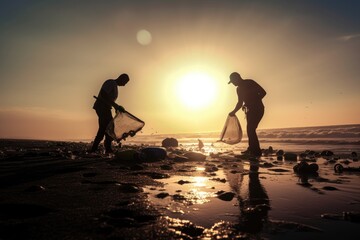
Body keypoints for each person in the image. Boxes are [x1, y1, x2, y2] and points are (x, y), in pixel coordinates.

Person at [228, 72, 266, 157]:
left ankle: (256, 151)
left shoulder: (250, 82)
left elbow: (263, 92)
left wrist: (253, 101)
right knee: (250, 129)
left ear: (237, 78)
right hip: (249, 110)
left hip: (258, 109)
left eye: (233, 81)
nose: (233, 84)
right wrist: (234, 111)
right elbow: (240, 102)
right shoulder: (238, 89)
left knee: (251, 129)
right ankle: (251, 149)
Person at [90, 73, 129, 153]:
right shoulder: (111, 82)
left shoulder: (114, 86)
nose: (124, 85)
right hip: (102, 107)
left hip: (106, 108)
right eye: (125, 82)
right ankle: (105, 148)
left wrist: (115, 107)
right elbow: (104, 94)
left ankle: (99, 148)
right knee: (108, 128)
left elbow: (109, 99)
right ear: (121, 78)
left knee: (106, 128)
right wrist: (115, 105)